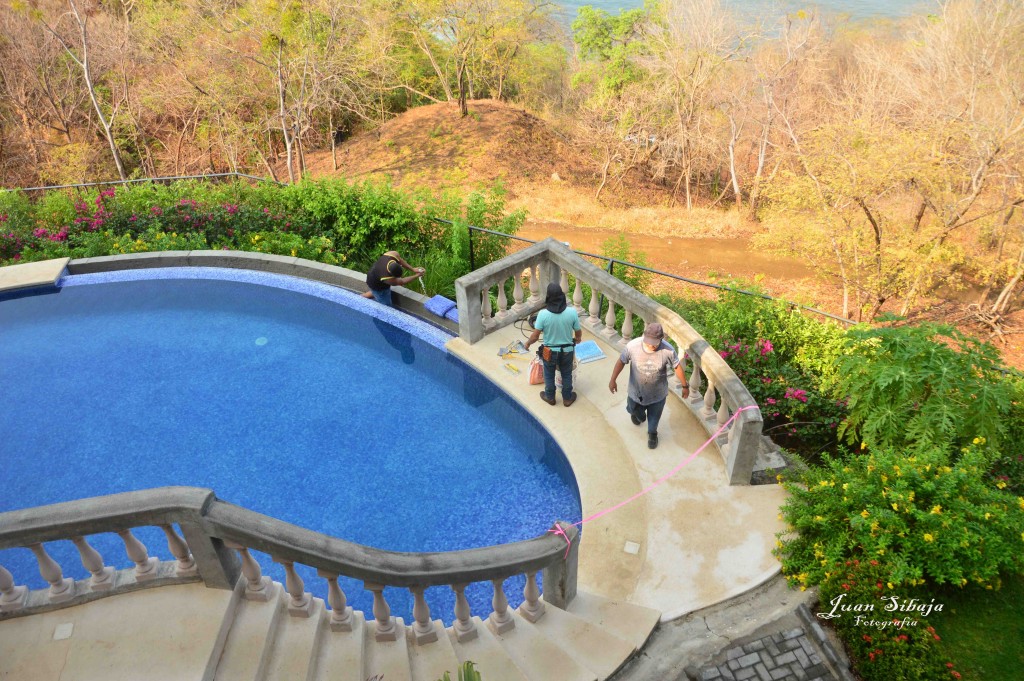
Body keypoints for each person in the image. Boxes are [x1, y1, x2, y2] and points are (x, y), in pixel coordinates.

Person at [608, 323, 689, 449]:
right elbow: (621, 361)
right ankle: (637, 414)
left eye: (654, 342)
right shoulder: (632, 346)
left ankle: (652, 434)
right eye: (648, 341)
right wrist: (613, 379)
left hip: (658, 394)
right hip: (635, 392)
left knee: (654, 418)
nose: (651, 345)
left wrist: (685, 386)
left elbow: (677, 367)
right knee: (632, 408)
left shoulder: (667, 350)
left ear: (661, 339)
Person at [524, 282, 582, 407]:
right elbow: (578, 331)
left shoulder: (543, 314)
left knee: (549, 374)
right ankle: (567, 398)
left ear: (548, 297)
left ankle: (550, 397)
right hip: (567, 350)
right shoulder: (572, 312)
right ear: (562, 296)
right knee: (566, 373)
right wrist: (578, 338)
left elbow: (535, 336)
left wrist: (527, 343)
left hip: (549, 352)